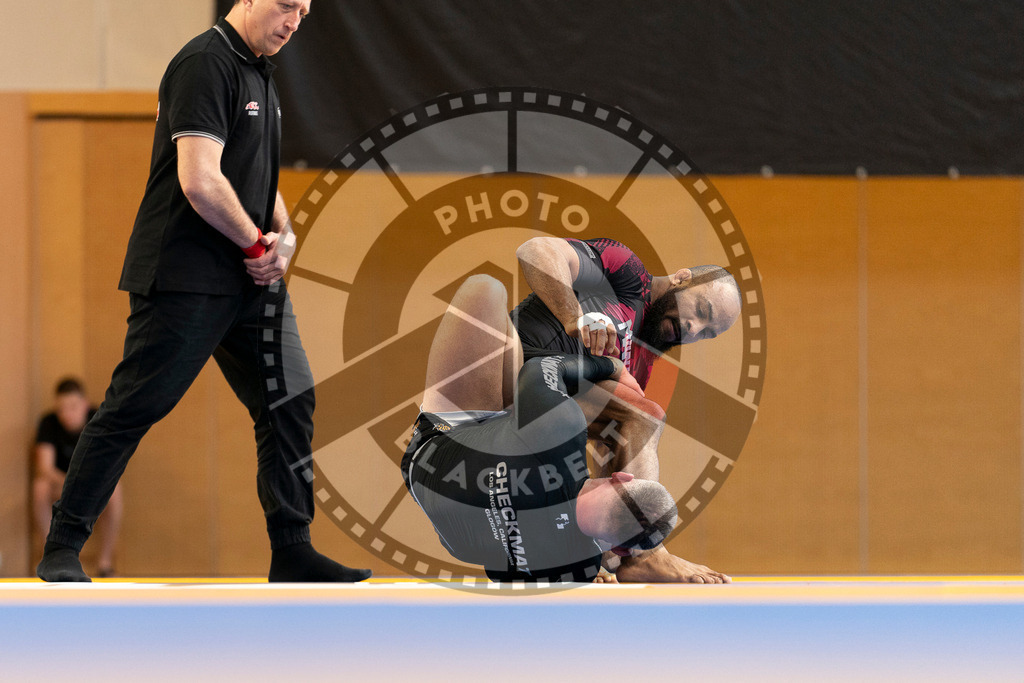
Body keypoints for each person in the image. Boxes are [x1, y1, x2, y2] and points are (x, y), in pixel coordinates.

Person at [37, 0, 370, 583]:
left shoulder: (260, 73)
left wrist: (282, 241)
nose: (294, 21)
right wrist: (254, 246)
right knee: (138, 404)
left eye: (304, 12)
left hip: (249, 280)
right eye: (286, 6)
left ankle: (291, 548)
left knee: (288, 398)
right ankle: (63, 544)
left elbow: (256, 179)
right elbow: (200, 179)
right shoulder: (204, 64)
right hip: (188, 274)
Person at [403, 274, 679, 583]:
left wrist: (611, 367)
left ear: (620, 476)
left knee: (485, 290)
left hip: (433, 446)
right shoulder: (581, 567)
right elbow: (500, 572)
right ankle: (515, 430)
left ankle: (517, 422)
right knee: (527, 429)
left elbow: (542, 368)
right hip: (456, 539)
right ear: (619, 550)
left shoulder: (563, 431)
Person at [513, 236, 741, 582]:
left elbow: (608, 450)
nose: (694, 328)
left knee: (638, 420)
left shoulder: (644, 362)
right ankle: (646, 551)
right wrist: (575, 317)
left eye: (707, 333)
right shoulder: (628, 273)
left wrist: (599, 551)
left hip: (543, 414)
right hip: (513, 367)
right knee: (645, 414)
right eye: (701, 311)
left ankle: (612, 554)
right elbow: (535, 250)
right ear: (682, 278)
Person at [33, 378, 123, 577]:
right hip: (62, 485)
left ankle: (105, 563)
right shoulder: (49, 423)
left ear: (85, 404)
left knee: (115, 489)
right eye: (61, 408)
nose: (67, 414)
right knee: (40, 487)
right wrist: (71, 484)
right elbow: (45, 468)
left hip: (92, 486)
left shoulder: (99, 420)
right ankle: (52, 555)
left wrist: (85, 484)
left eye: (73, 407)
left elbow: (108, 466)